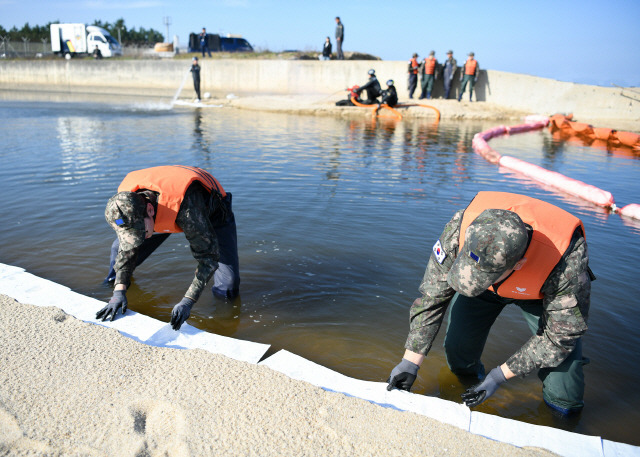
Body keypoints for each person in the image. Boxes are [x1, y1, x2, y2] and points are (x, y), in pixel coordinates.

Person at [387, 191, 593, 416]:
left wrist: (499, 376)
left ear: (519, 264)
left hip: (541, 293)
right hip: (487, 291)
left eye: (482, 275)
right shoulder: (460, 228)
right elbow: (432, 298)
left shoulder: (568, 260)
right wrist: (411, 362)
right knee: (458, 351)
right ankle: (468, 382)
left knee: (564, 388)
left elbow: (560, 338)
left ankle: (562, 417)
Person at [98, 165, 241, 331]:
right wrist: (119, 291)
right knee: (119, 250)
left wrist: (188, 301)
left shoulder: (188, 211)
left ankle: (225, 322)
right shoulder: (123, 206)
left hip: (209, 210)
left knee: (228, 282)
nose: (140, 238)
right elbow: (127, 248)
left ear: (150, 210)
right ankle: (114, 289)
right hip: (157, 215)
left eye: (140, 233)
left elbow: (208, 259)